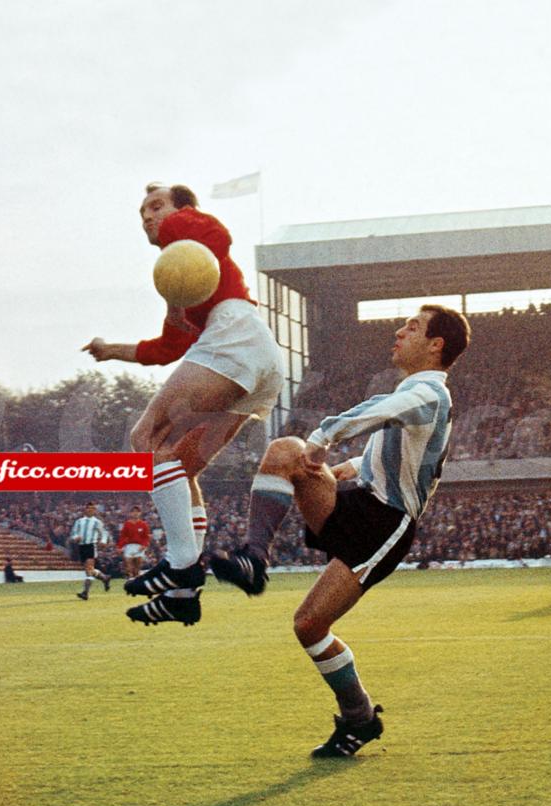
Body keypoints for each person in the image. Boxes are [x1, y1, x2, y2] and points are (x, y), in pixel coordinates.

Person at [211, 305, 471, 758]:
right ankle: (253, 557)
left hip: (385, 524)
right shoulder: (417, 392)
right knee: (284, 452)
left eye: (412, 327)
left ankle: (360, 719)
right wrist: (330, 469)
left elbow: (378, 413)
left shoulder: (428, 392)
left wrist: (325, 435)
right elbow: (380, 456)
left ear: (436, 345)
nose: (399, 331)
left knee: (310, 624)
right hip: (362, 507)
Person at [82, 182, 283, 627]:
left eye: (157, 208)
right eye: (142, 214)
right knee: (178, 466)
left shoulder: (194, 242)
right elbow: (167, 348)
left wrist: (175, 213)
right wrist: (110, 349)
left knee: (146, 437)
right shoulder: (185, 282)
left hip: (232, 335)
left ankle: (182, 563)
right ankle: (183, 595)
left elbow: (217, 237)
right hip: (254, 352)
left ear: (183, 210)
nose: (149, 219)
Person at [70, 501, 112, 600]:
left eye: (92, 508)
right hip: (81, 547)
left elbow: (104, 533)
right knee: (90, 570)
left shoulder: (97, 522)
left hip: (91, 546)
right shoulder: (79, 521)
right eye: (88, 508)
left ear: (95, 510)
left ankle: (85, 593)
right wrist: (76, 537)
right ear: (85, 509)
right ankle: (105, 578)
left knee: (88, 570)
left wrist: (103, 541)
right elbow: (73, 533)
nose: (90, 510)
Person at [116, 505, 152, 580]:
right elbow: (122, 536)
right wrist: (119, 547)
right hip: (129, 546)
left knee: (137, 568)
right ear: (130, 513)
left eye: (137, 511)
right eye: (133, 511)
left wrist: (144, 546)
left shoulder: (143, 524)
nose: (135, 513)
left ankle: (136, 583)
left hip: (139, 547)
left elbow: (146, 537)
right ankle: (130, 581)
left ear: (140, 513)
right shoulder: (127, 524)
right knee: (129, 566)